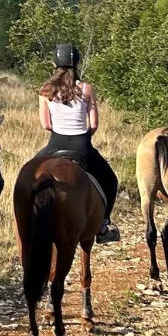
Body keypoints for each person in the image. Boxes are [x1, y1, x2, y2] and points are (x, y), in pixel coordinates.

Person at [36, 42, 119, 242]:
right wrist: (84, 136)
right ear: (77, 63)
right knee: (110, 180)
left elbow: (46, 125)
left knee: (28, 174)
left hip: (55, 144)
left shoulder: (45, 90)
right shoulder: (86, 88)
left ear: (55, 63)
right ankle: (103, 226)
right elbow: (94, 124)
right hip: (82, 145)